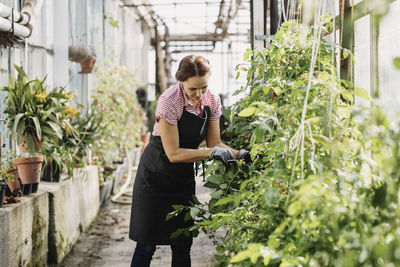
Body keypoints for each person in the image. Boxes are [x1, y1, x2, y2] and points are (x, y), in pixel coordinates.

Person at [129, 55, 249, 267]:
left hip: (181, 178)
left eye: (203, 87)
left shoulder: (211, 100)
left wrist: (239, 154)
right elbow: (173, 153)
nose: (198, 94)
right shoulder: (169, 100)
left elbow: (215, 142)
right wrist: (209, 153)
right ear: (181, 81)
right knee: (146, 244)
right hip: (155, 174)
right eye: (193, 89)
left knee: (182, 242)